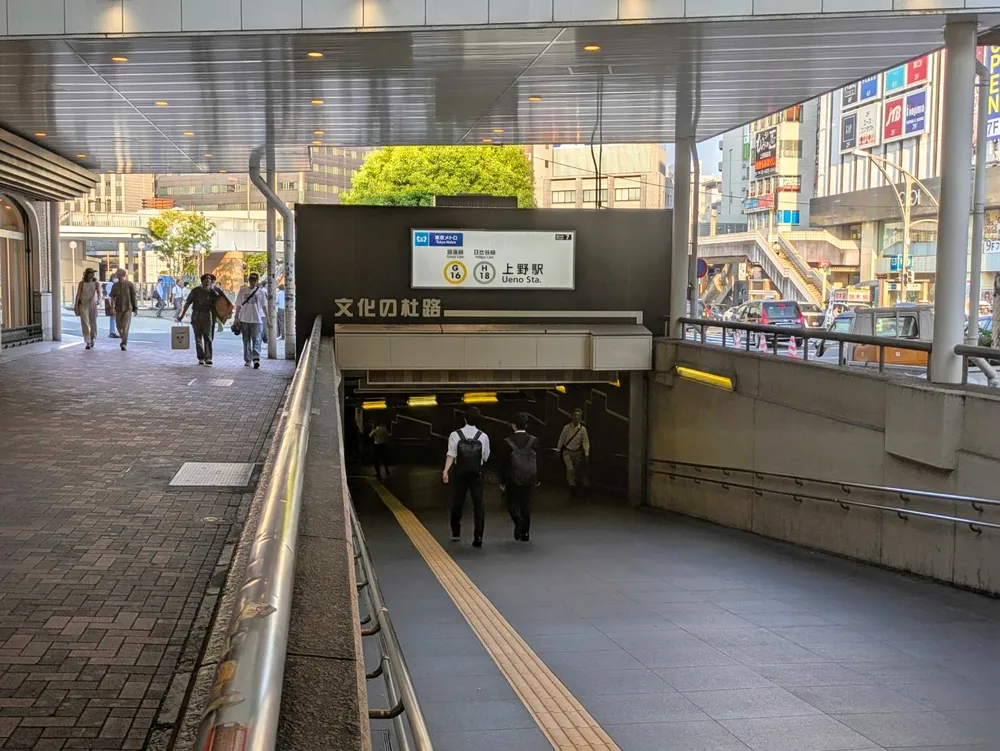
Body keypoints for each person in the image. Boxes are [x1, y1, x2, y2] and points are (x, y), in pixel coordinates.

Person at [443, 407, 491, 548]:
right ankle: (478, 536)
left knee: (458, 502)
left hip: (460, 473)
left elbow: (451, 454)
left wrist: (446, 470)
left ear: (464, 419)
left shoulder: (455, 435)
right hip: (476, 474)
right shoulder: (483, 436)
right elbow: (485, 457)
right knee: (479, 504)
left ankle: (456, 531)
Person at [499, 412, 538, 542]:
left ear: (513, 426)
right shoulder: (534, 441)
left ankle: (517, 521)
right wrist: (538, 478)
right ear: (526, 425)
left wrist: (502, 480)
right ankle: (525, 533)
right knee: (526, 504)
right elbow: (540, 461)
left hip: (512, 478)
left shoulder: (507, 442)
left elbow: (503, 463)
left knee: (511, 503)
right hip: (530, 477)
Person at [177, 274, 224, 366]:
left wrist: (222, 316)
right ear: (202, 281)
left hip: (208, 315)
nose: (208, 280)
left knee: (208, 337)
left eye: (209, 279)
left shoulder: (213, 292)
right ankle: (201, 357)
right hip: (196, 315)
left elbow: (219, 305)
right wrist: (182, 315)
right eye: (206, 279)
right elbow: (187, 303)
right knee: (198, 338)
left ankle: (208, 358)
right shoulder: (195, 291)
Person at [234, 273, 267, 368]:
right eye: (251, 280)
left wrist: (268, 318)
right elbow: (238, 305)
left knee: (257, 339)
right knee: (246, 340)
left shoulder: (260, 292)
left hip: (257, 319)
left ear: (257, 281)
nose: (252, 282)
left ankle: (256, 358)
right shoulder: (243, 290)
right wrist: (236, 317)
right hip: (244, 319)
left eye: (254, 280)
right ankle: (248, 359)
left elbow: (264, 306)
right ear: (248, 281)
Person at [556, 408, 590, 496]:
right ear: (572, 417)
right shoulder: (566, 428)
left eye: (578, 416)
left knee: (575, 470)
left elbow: (585, 442)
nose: (576, 418)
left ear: (580, 418)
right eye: (575, 416)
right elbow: (562, 439)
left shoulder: (582, 430)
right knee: (570, 468)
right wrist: (558, 449)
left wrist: (586, 453)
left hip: (577, 453)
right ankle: (572, 485)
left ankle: (573, 482)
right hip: (567, 451)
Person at [109, 268, 138, 351]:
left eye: (119, 275)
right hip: (118, 309)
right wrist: (112, 307)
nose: (118, 276)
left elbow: (133, 297)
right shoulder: (115, 286)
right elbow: (112, 297)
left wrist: (135, 308)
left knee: (125, 327)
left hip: (128, 308)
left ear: (123, 275)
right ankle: (123, 339)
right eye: (117, 275)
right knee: (119, 326)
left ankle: (124, 343)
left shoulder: (129, 284)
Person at [73, 268, 102, 350]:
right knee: (85, 323)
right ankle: (87, 341)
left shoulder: (96, 283)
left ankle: (92, 338)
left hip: (92, 304)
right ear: (86, 274)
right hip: (83, 304)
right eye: (90, 273)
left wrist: (99, 300)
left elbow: (99, 292)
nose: (92, 274)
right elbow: (78, 294)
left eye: (93, 273)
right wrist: (76, 305)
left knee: (93, 323)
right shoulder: (82, 283)